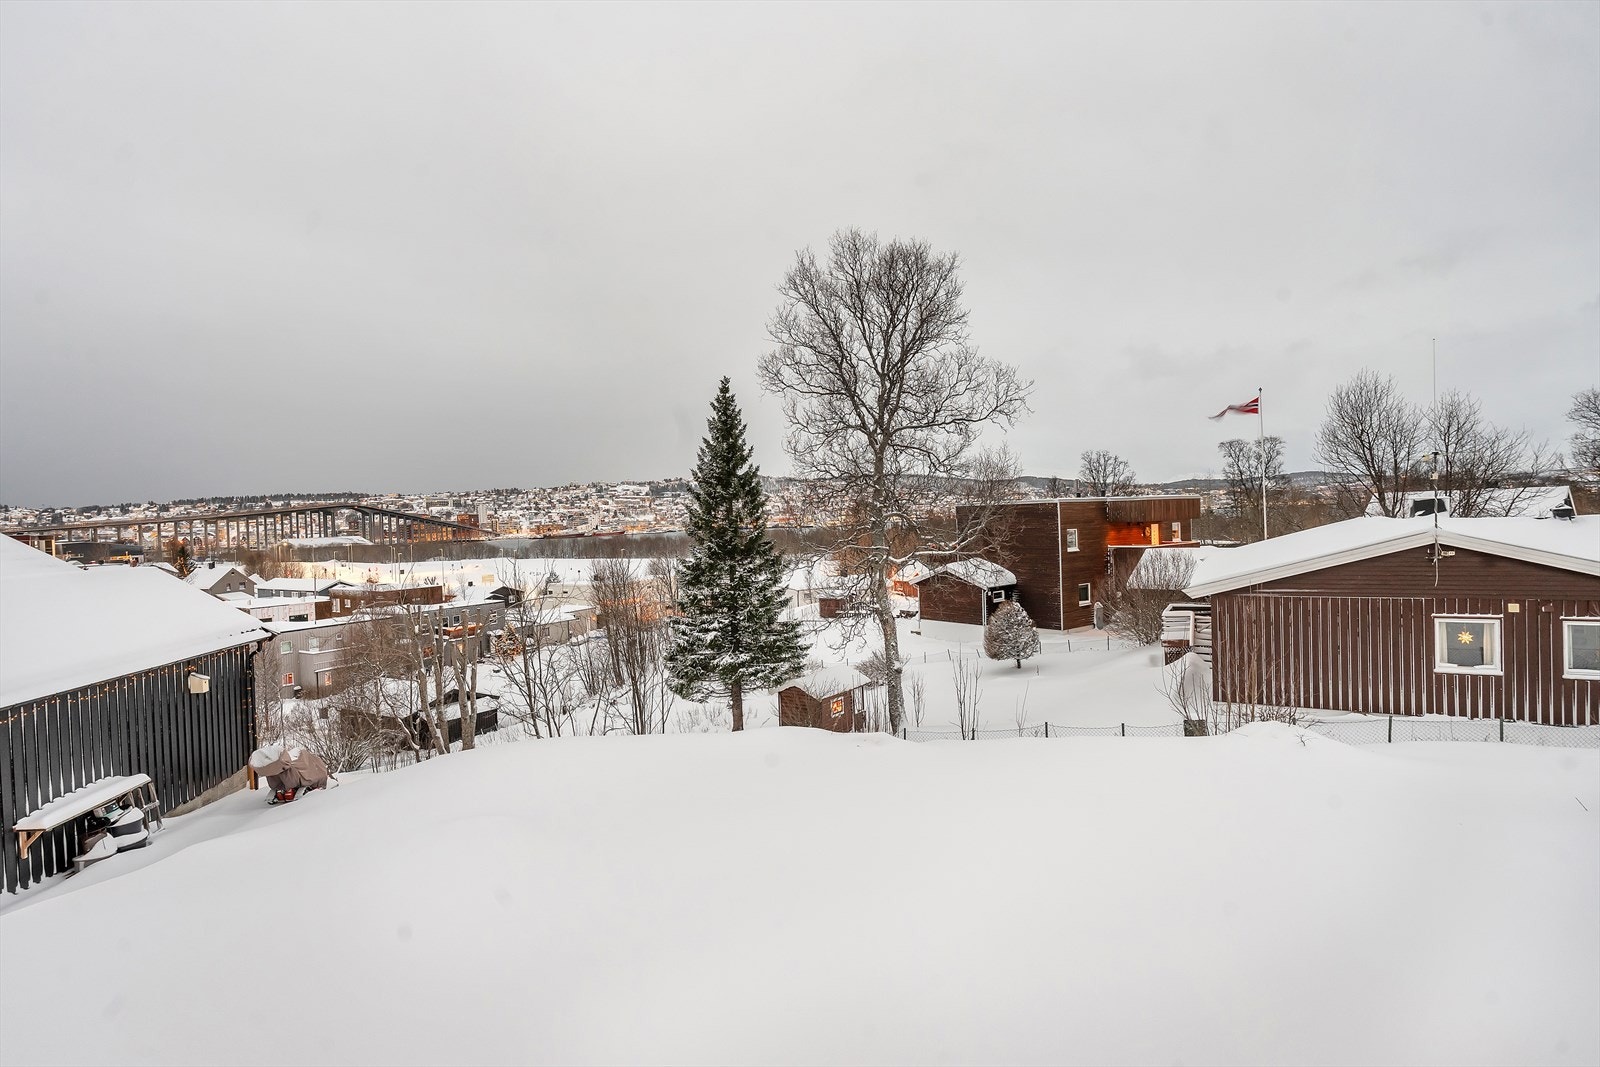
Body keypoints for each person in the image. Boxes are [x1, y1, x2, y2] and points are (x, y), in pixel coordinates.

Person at [248, 745, 331, 804]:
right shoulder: (288, 766)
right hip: (291, 766)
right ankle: (288, 791)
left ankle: (285, 791)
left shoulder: (281, 765)